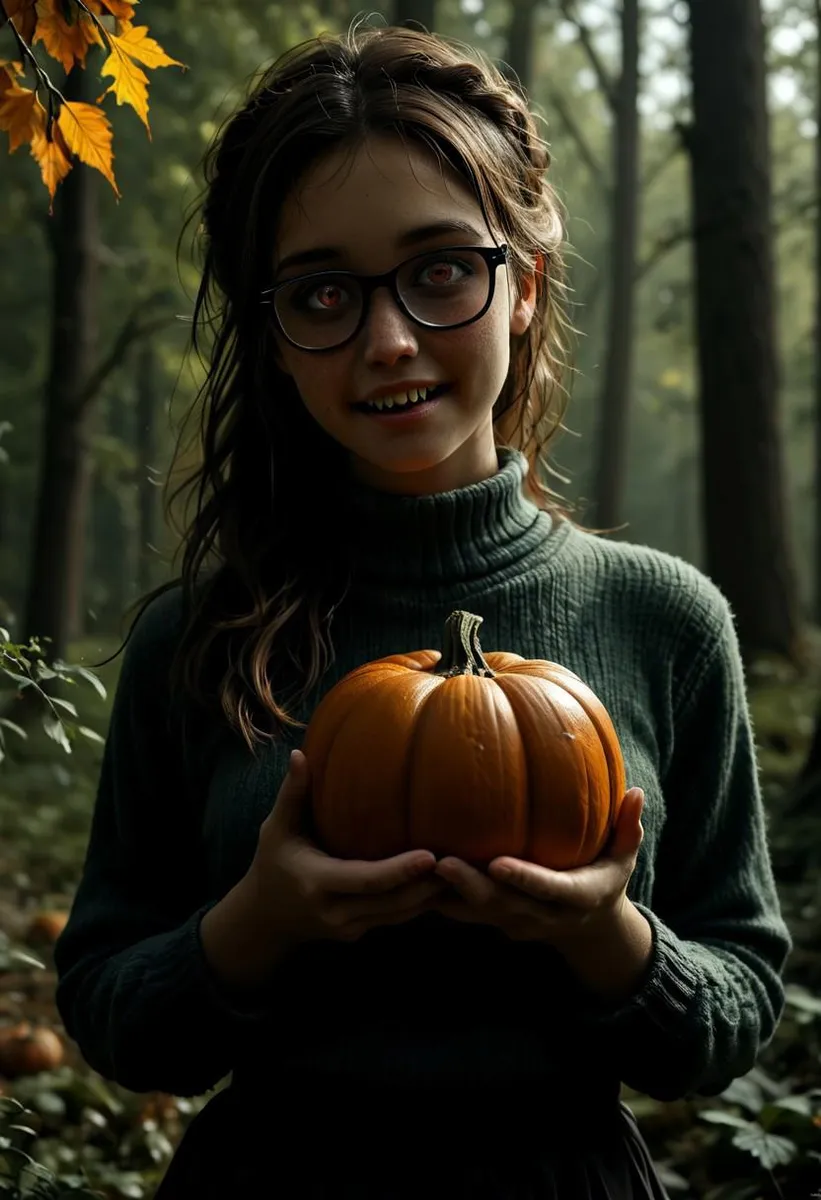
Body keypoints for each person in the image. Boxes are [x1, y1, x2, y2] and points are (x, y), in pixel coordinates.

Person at [53, 20, 792, 1199]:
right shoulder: (194, 640)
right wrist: (259, 918)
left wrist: (602, 937)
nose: (387, 339)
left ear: (522, 284)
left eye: (439, 268)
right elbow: (110, 1013)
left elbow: (739, 1006)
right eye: (325, 291)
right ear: (275, 335)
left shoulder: (664, 620)